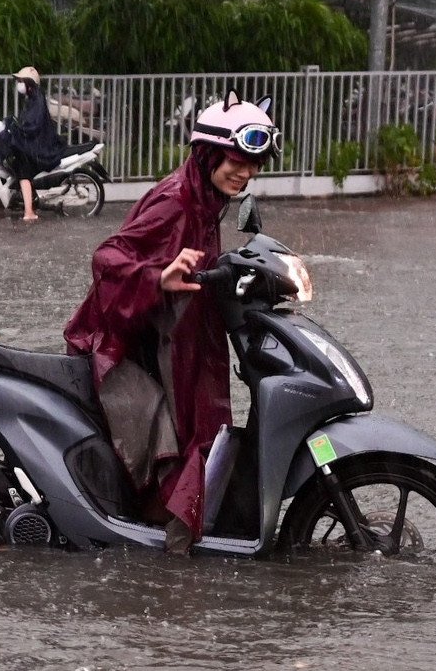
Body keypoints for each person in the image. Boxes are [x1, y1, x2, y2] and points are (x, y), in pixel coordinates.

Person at [62, 90, 278, 555]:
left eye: (253, 163)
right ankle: (159, 551)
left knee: (204, 426)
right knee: (168, 443)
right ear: (208, 154)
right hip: (120, 348)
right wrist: (156, 276)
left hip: (172, 337)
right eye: (235, 160)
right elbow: (108, 258)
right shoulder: (176, 201)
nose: (245, 172)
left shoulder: (208, 201)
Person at [1, 66, 69, 222]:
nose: (18, 84)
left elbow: (33, 124)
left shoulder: (37, 100)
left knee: (23, 171)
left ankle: (29, 212)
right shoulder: (32, 98)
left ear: (29, 83)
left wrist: (19, 128)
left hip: (39, 148)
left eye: (20, 81)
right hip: (34, 144)